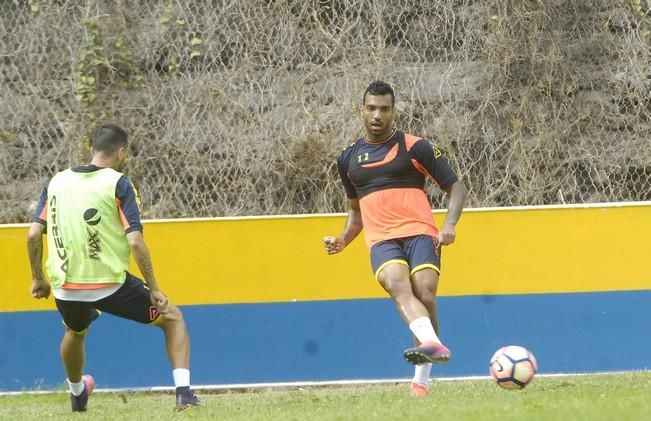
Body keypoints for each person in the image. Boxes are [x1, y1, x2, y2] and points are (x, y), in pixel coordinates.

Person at [26, 124, 200, 412]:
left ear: (92, 149)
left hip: (66, 287)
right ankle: (184, 394)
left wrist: (37, 279)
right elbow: (135, 242)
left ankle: (78, 393)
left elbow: (33, 235)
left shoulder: (56, 182)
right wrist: (154, 287)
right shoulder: (118, 184)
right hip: (109, 284)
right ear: (121, 152)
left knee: (74, 332)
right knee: (172, 319)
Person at [323, 81, 467, 397]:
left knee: (425, 294)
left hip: (420, 233)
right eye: (371, 108)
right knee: (397, 283)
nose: (377, 115)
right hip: (382, 239)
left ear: (393, 111)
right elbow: (356, 212)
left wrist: (450, 224)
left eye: (384, 109)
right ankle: (432, 346)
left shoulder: (417, 147)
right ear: (361, 110)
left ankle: (421, 381)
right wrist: (344, 238)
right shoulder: (347, 159)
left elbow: (455, 187)